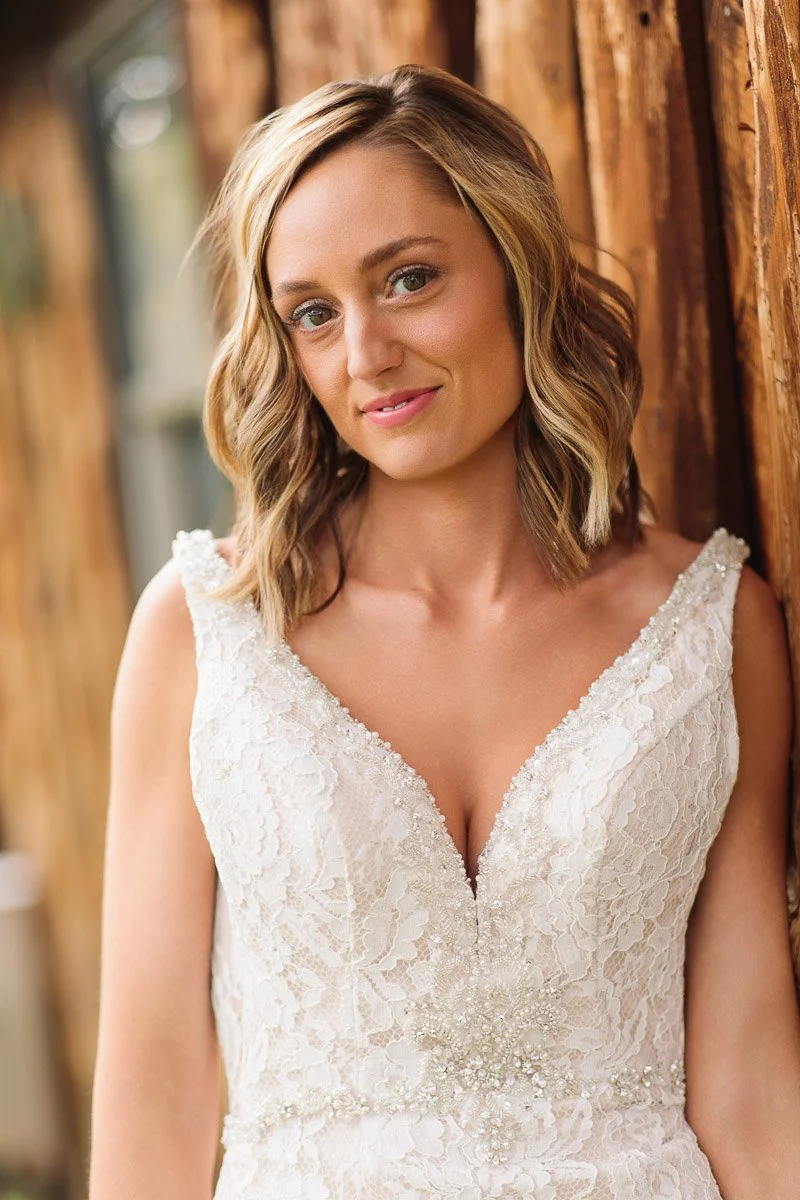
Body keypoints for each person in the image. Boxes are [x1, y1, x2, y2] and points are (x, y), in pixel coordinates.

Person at [89, 64, 800, 1199]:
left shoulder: (708, 632)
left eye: (408, 280)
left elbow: (750, 1075)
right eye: (313, 312)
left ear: (515, 270)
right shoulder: (206, 634)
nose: (363, 354)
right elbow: (155, 1083)